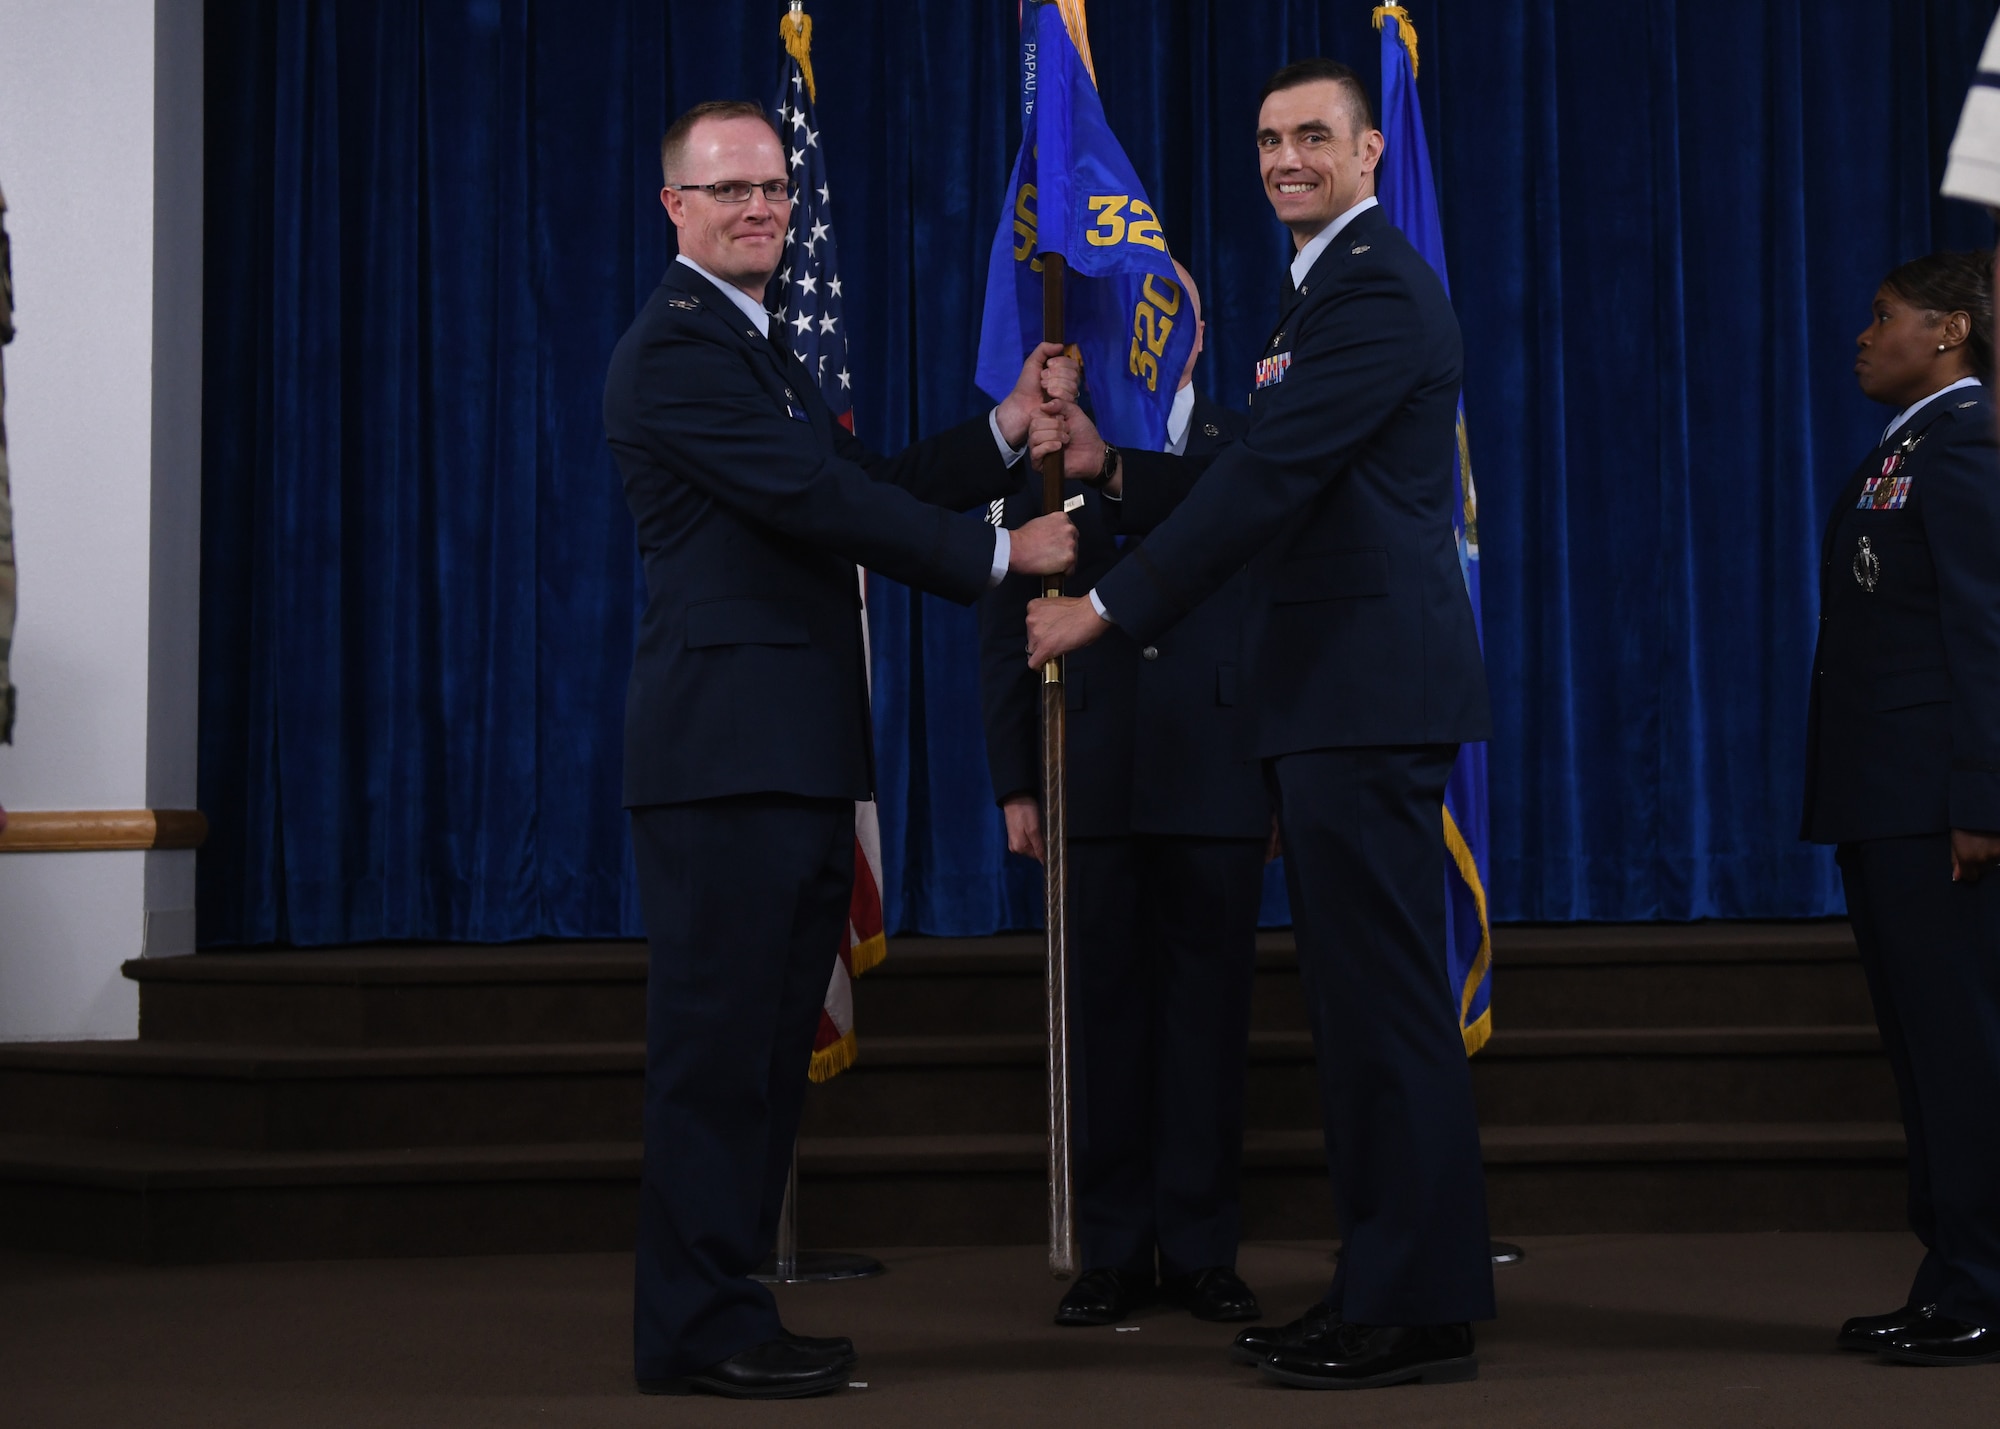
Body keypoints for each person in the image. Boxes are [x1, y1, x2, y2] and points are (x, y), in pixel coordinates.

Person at [1025, 58, 1493, 1390]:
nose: (1286, 158)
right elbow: (1253, 460)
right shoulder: (1324, 293)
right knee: (1366, 1010)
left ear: (1368, 156)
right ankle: (1418, 1287)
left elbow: (1277, 476)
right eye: (1269, 138)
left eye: (1312, 138)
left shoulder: (1375, 289)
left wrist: (1105, 602)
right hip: (1338, 691)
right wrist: (1120, 469)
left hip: (1367, 688)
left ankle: (1402, 1306)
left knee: (1383, 1011)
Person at [602, 99, 1079, 1401]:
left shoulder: (757, 352)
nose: (759, 206)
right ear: (675, 209)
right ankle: (696, 1328)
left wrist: (995, 437)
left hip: (792, 761)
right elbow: (815, 498)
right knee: (716, 1064)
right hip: (723, 768)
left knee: (759, 1061)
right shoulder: (680, 352)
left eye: (771, 187)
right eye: (729, 189)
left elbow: (850, 482)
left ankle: (727, 1310)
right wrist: (1001, 552)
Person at [980, 260, 1271, 1330]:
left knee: (1206, 1021)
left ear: (1193, 338)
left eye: (1166, 324)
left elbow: (1276, 607)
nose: (1146, 342)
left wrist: (1278, 770)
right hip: (1085, 770)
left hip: (1218, 771)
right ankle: (1108, 1248)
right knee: (1101, 1022)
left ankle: (1198, 1248)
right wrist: (1014, 776)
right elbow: (998, 615)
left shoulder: (1248, 442)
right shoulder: (1047, 454)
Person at [1802, 250, 2000, 1367]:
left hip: (1941, 813)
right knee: (1925, 1056)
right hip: (1888, 802)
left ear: (1947, 332)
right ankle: (1949, 1273)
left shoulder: (1966, 442)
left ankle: (1982, 1280)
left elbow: (1984, 631)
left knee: (1962, 1052)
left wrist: (1982, 797)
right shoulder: (1911, 444)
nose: (1861, 333)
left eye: (1883, 316)